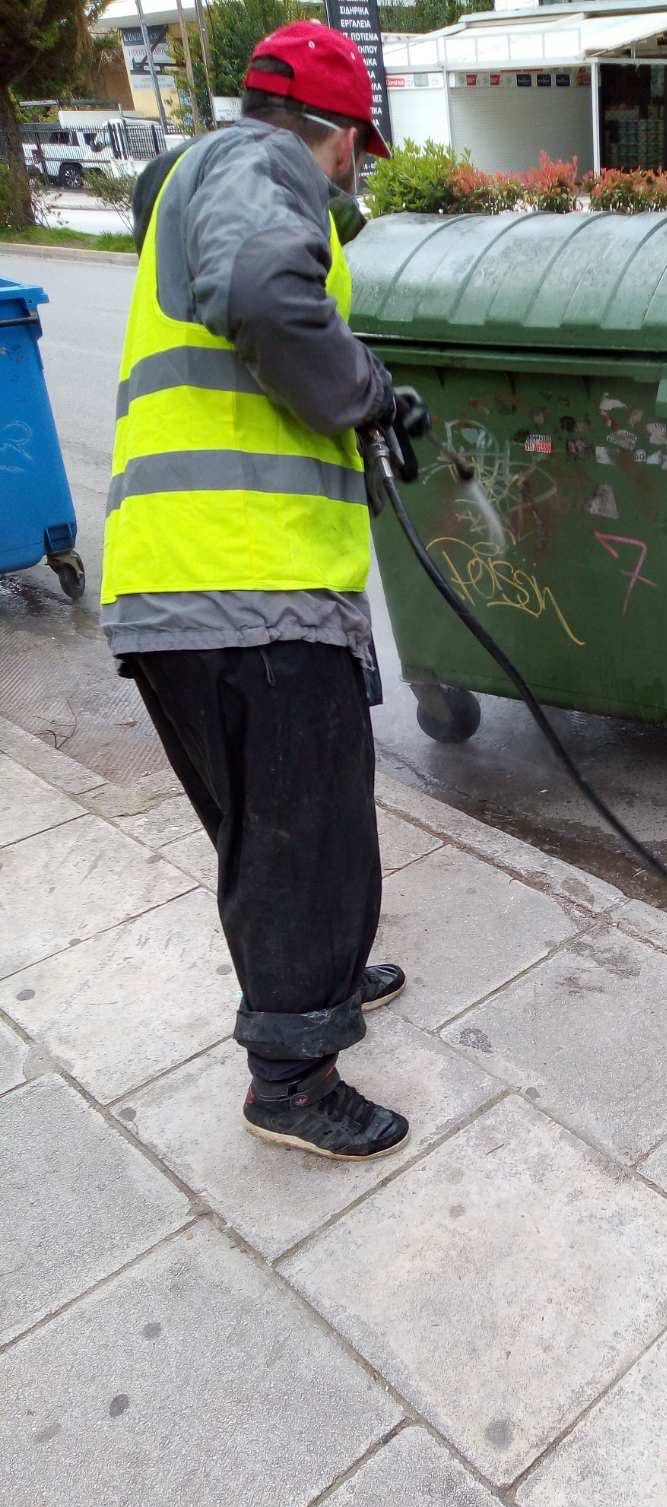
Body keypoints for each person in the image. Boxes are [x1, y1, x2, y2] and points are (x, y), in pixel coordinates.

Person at [101, 21, 418, 1161]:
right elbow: (268, 296)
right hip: (250, 587)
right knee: (300, 838)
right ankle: (291, 1081)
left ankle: (319, 978)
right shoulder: (259, 166)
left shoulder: (197, 181)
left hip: (182, 587)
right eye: (359, 154)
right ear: (335, 136)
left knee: (275, 833)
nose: (353, 175)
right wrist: (370, 392)